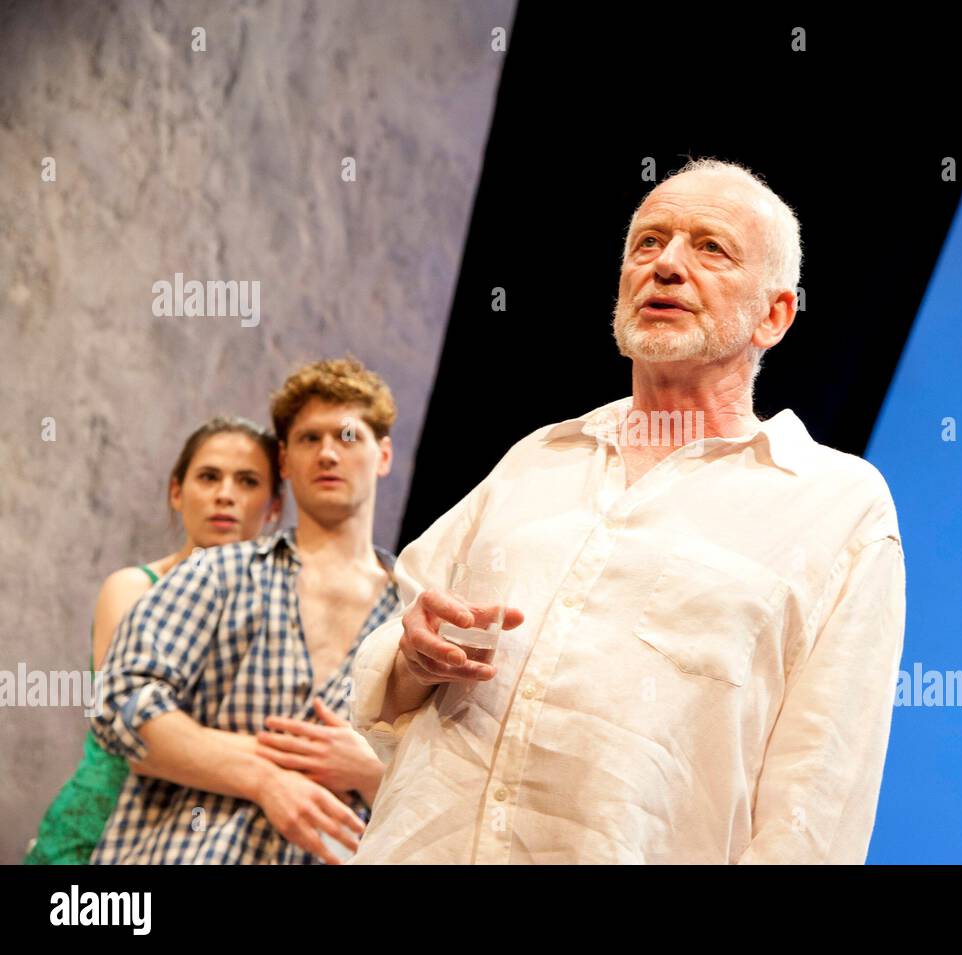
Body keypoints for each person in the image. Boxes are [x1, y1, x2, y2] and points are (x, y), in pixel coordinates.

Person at [348, 158, 908, 864]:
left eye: (711, 248)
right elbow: (386, 689)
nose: (667, 264)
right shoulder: (540, 458)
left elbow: (819, 807)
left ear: (775, 313)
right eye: (648, 242)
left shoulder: (835, 506)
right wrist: (413, 655)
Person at [90, 357, 402, 864]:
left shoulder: (411, 616)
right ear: (284, 462)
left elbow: (452, 784)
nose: (327, 453)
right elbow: (120, 703)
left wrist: (372, 772)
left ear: (383, 454)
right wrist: (264, 775)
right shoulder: (218, 572)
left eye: (348, 436)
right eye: (308, 439)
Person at [23, 416, 283, 864]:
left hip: (201, 838)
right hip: (99, 821)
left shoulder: (277, 615)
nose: (225, 493)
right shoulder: (132, 587)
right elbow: (135, 723)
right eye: (208, 477)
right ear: (176, 492)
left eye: (247, 481)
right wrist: (284, 759)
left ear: (274, 506)